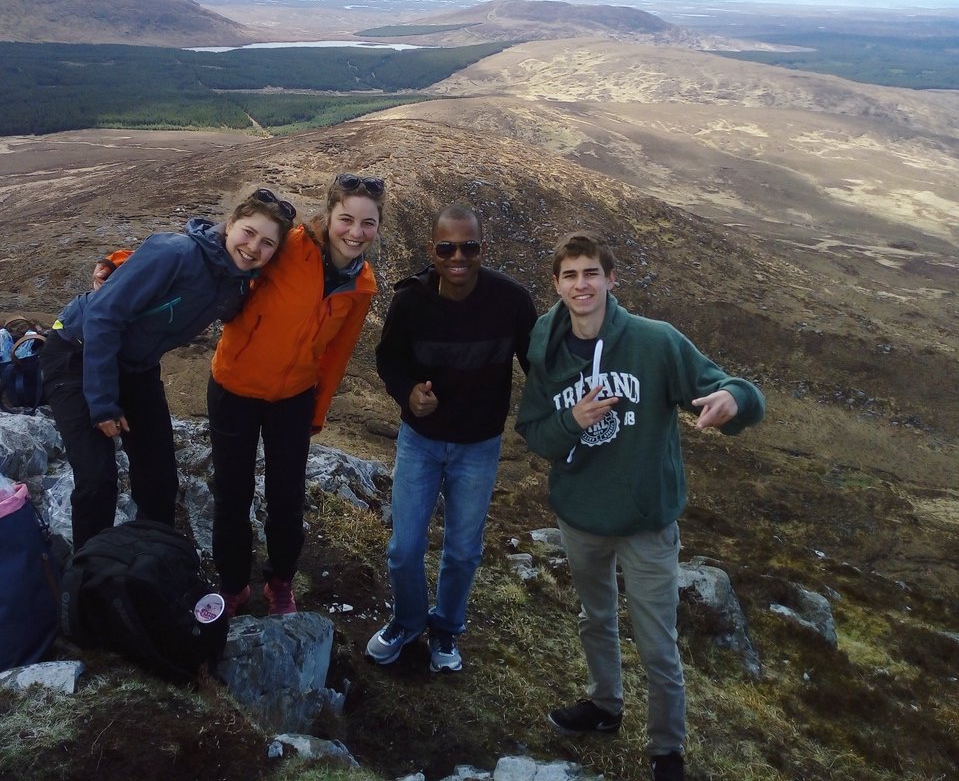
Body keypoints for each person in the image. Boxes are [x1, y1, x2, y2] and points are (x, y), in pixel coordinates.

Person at [515, 232, 765, 781]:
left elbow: (732, 389)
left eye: (591, 274)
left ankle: (666, 748)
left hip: (646, 522)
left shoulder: (656, 343)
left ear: (611, 279)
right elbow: (533, 431)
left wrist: (734, 399)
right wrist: (570, 421)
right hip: (580, 517)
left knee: (658, 643)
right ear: (556, 285)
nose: (582, 285)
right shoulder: (545, 346)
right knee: (595, 619)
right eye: (570, 276)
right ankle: (604, 707)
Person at [41, 189, 296, 550]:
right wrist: (102, 403)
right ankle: (87, 576)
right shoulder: (175, 252)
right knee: (98, 480)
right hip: (78, 353)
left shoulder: (237, 281)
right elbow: (102, 315)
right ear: (230, 224)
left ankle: (152, 566)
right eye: (249, 232)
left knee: (159, 479)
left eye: (268, 243)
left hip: (137, 368)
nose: (254, 247)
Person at [366, 204, 536, 672]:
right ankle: (406, 621)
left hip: (478, 447)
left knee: (463, 552)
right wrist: (407, 394)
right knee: (404, 550)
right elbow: (389, 360)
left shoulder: (512, 301)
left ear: (483, 249)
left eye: (469, 246)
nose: (457, 256)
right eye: (446, 247)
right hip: (420, 441)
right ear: (431, 251)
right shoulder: (411, 302)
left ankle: (446, 631)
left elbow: (538, 365)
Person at [207, 173, 384, 616]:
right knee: (233, 491)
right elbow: (214, 251)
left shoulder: (362, 285)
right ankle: (232, 585)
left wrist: (316, 412)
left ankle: (281, 580)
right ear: (330, 214)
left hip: (294, 398)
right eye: (346, 219)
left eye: (368, 224)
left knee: (286, 495)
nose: (355, 233)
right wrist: (121, 261)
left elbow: (337, 355)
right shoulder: (288, 245)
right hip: (235, 386)